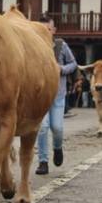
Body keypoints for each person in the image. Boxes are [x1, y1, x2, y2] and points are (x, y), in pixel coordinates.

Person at [35, 18, 78, 175]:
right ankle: (43, 161)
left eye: (49, 29)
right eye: (43, 29)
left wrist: (62, 69)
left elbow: (73, 64)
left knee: (57, 128)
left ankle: (58, 148)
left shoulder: (61, 45)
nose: (46, 32)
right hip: (40, 95)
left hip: (58, 94)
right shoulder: (34, 47)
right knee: (43, 128)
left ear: (54, 30)